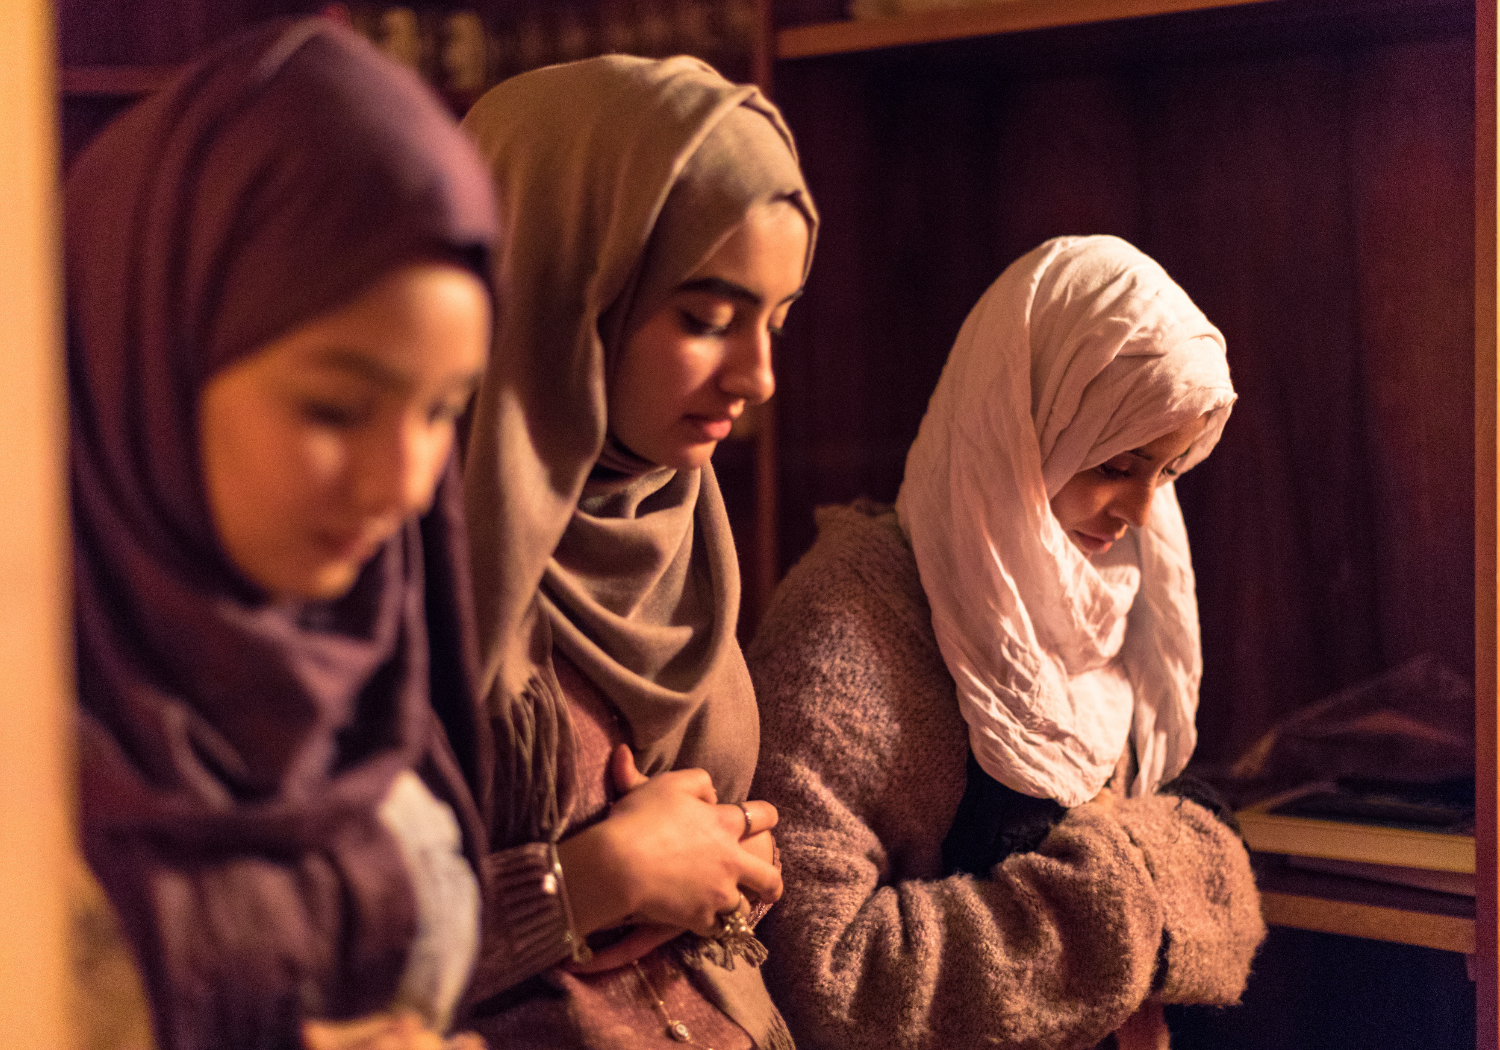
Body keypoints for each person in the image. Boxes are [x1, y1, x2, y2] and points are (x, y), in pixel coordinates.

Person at [67, 19, 498, 1050]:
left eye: (443, 411)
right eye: (335, 409)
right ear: (152, 364)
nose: (404, 485)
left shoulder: (369, 656)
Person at [747, 236, 1266, 1050]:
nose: (1139, 511)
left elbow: (1224, 888)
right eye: (1117, 463)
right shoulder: (854, 619)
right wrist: (1124, 905)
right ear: (1023, 426)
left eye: (1166, 472)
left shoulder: (1110, 597)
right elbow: (816, 973)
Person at [455, 55, 816, 1050]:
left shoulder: (677, 523)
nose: (759, 376)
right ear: (567, 284)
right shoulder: (397, 558)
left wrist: (726, 869)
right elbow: (305, 953)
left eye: (778, 320)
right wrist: (588, 882)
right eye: (706, 319)